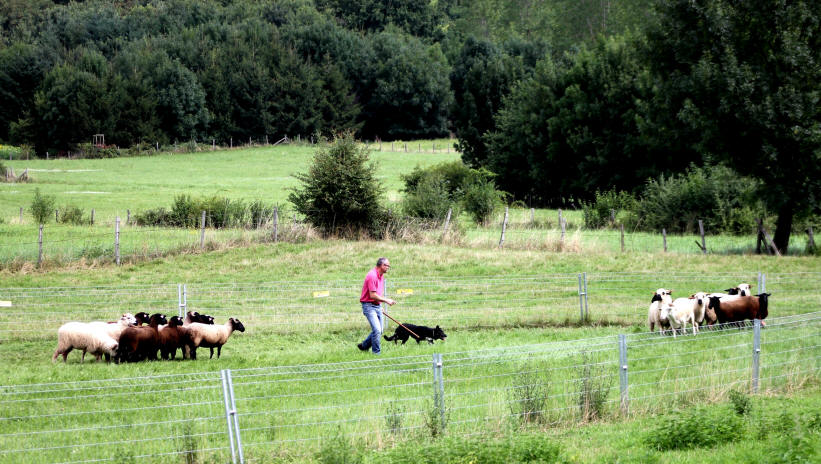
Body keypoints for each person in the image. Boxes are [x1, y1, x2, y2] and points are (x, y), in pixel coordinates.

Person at [357, 257, 395, 354]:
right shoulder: (372, 276)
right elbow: (372, 295)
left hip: (376, 305)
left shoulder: (381, 276)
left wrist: (380, 305)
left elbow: (377, 293)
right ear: (381, 265)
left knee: (380, 331)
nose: (388, 267)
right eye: (387, 266)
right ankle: (376, 353)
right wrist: (386, 300)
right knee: (377, 330)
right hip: (368, 306)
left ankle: (364, 346)